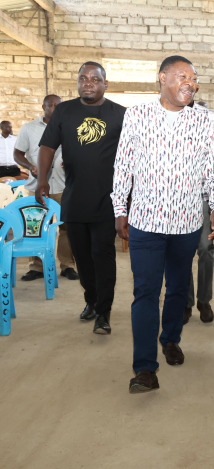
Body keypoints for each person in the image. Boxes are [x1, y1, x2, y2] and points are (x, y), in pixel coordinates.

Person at [112, 56, 214, 394]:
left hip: (188, 221)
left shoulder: (206, 119)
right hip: (145, 220)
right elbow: (123, 164)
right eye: (182, 76)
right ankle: (145, 368)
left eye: (194, 78)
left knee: (177, 288)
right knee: (145, 292)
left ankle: (171, 338)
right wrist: (120, 208)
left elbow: (211, 168)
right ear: (162, 78)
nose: (190, 83)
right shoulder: (137, 115)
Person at [36, 62, 126, 334]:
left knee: (103, 257)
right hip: (75, 200)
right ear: (77, 82)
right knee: (82, 259)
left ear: (105, 84)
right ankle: (91, 301)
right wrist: (42, 178)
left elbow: (133, 157)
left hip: (108, 201)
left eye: (95, 79)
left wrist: (130, 199)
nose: (88, 83)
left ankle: (104, 312)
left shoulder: (121, 114)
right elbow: (47, 146)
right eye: (83, 78)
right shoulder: (64, 111)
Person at [14, 95, 79, 282]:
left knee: (66, 228)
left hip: (63, 185)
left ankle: (68, 266)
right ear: (44, 106)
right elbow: (17, 153)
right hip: (36, 186)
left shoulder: (70, 127)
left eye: (59, 105)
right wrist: (29, 166)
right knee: (35, 227)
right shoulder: (29, 129)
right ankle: (36, 267)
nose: (56, 108)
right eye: (52, 105)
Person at [184, 97, 214, 325]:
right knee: (182, 253)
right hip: (176, 199)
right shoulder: (159, 113)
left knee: (206, 248)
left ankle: (204, 300)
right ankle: (186, 303)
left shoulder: (208, 117)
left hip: (202, 197)